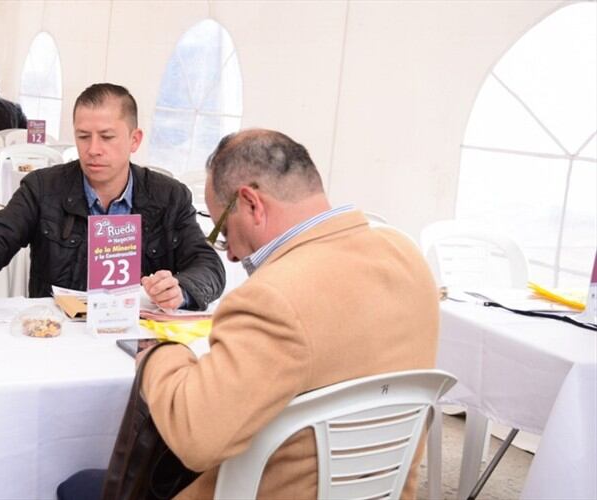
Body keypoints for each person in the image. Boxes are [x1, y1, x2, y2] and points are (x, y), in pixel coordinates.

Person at [58, 130, 440, 499]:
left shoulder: (273, 296)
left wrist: (160, 353)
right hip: (382, 489)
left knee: (78, 484)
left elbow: (197, 437)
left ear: (252, 203)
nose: (231, 254)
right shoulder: (407, 257)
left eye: (223, 230)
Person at [0, 83, 225, 325]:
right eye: (83, 137)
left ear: (134, 140)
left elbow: (208, 265)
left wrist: (181, 290)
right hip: (58, 335)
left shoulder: (169, 196)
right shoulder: (44, 188)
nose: (93, 150)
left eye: (107, 137)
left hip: (137, 338)